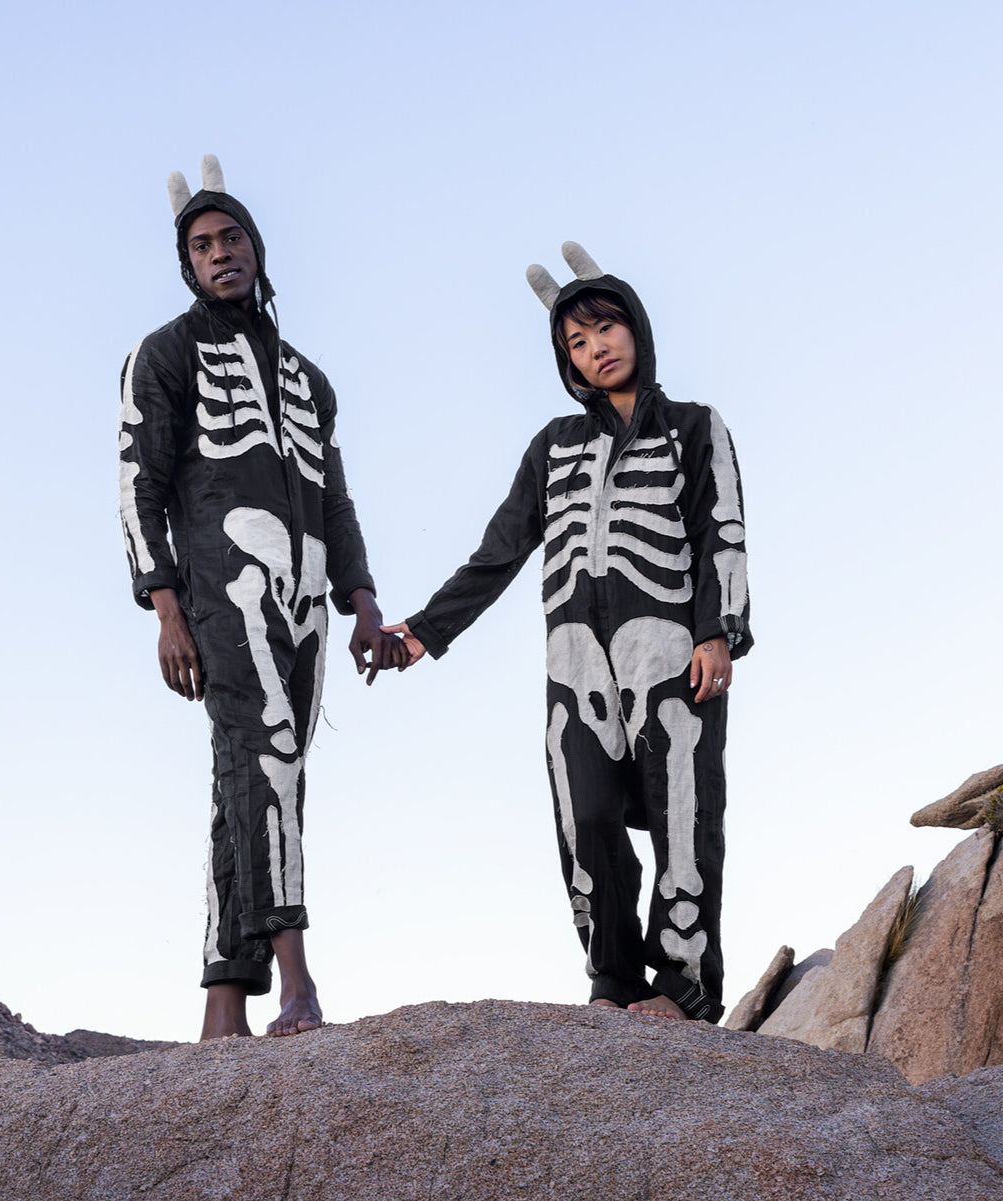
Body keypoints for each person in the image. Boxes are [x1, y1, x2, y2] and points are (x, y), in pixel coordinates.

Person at [385, 243, 752, 1022]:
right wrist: (421, 632)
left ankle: (685, 985)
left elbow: (722, 533)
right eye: (577, 344)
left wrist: (718, 631)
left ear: (636, 328)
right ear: (568, 363)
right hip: (574, 665)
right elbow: (500, 549)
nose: (596, 349)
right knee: (583, 819)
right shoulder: (553, 445)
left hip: (670, 654)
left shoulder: (694, 426)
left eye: (606, 327)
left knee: (684, 815)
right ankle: (612, 976)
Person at [119, 155, 402, 1039]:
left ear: (257, 245)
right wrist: (166, 608)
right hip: (224, 587)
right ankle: (298, 983)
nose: (220, 253)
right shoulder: (163, 354)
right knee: (270, 755)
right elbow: (138, 483)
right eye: (201, 244)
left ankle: (221, 1002)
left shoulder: (310, 380)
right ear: (186, 263)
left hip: (309, 595)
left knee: (249, 777)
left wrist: (359, 596)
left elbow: (336, 493)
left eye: (232, 236)